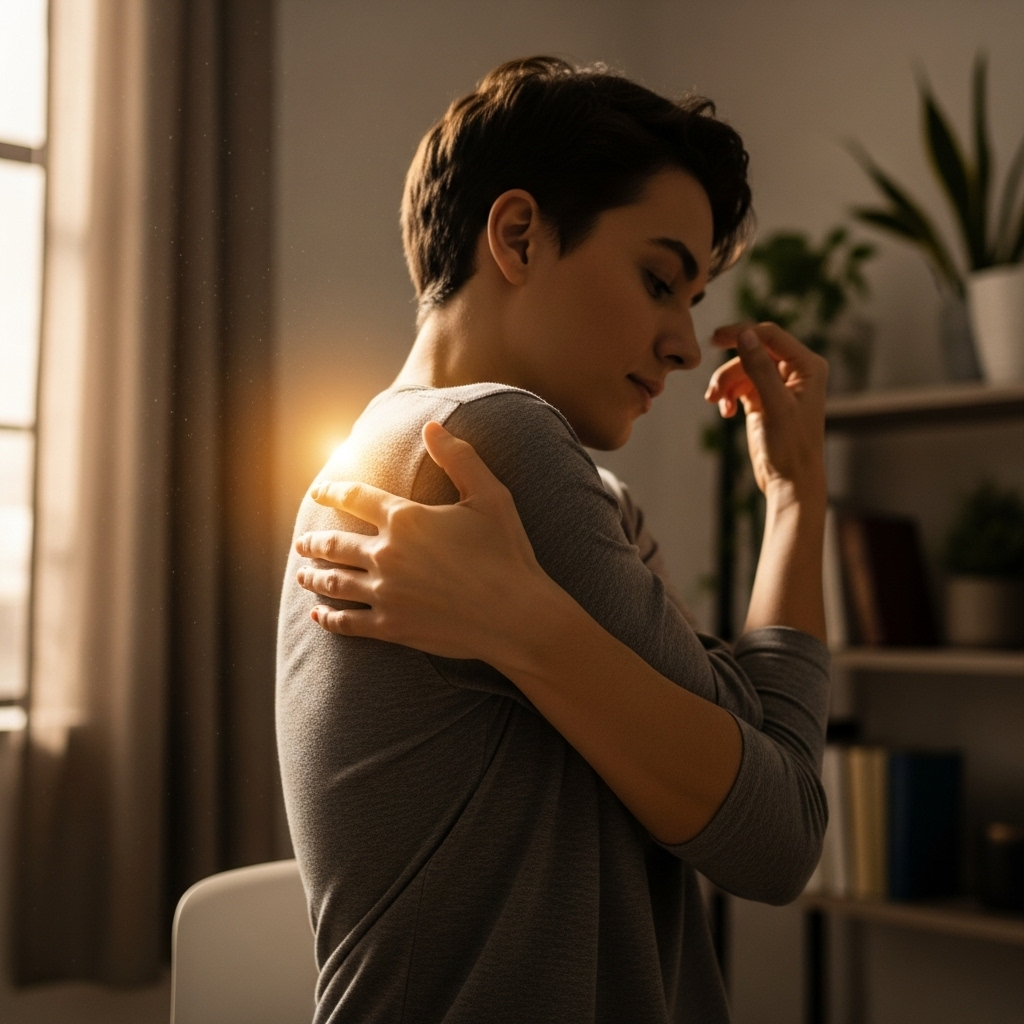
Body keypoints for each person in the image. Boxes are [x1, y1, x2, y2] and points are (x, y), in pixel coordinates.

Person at [277, 56, 831, 1024]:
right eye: (659, 280)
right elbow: (776, 835)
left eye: (694, 301)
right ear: (520, 234)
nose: (684, 344)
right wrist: (799, 506)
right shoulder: (490, 437)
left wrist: (788, 493)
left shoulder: (557, 485)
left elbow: (743, 747)